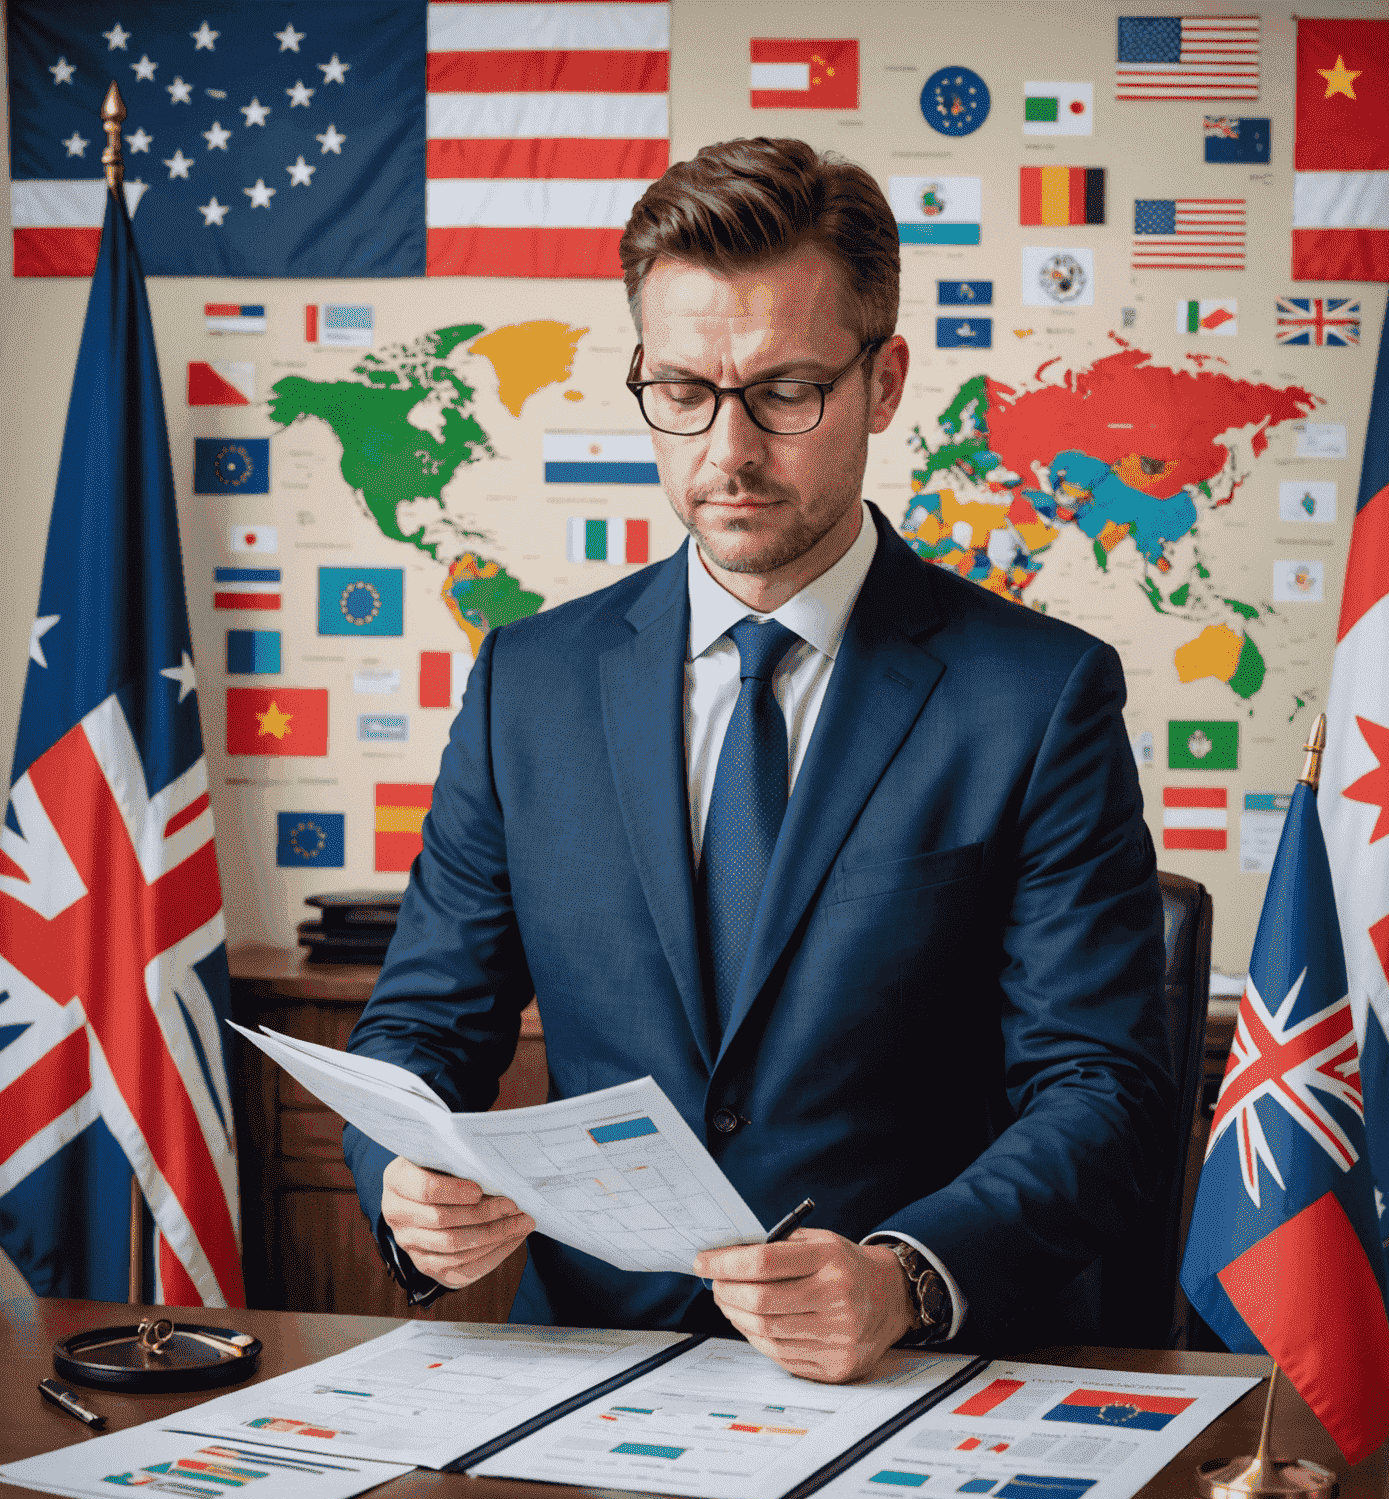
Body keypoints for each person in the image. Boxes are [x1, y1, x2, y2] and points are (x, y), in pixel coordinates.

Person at [343, 137, 1172, 1384]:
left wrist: (905, 1276)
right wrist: (409, 1183)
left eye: (786, 392)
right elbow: (420, 1026)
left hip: (910, 1378)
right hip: (585, 1370)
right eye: (681, 391)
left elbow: (1098, 1089)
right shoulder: (531, 682)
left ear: (884, 381)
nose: (726, 451)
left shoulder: (1039, 697)